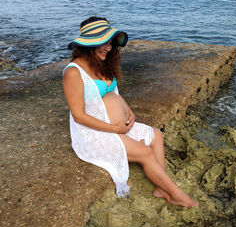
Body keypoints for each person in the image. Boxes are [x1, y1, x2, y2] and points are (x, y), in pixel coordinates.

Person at [62, 17, 198, 207]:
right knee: (145, 153)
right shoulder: (73, 72)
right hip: (95, 133)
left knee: (156, 135)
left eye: (110, 43)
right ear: (88, 44)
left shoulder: (101, 64)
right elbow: (79, 115)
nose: (109, 48)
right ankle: (177, 195)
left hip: (116, 127)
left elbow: (113, 93)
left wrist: (129, 111)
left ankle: (161, 187)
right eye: (104, 42)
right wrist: (114, 129)